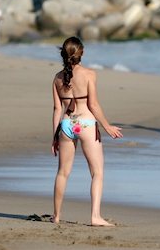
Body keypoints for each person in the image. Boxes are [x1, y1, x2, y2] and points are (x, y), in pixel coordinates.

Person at [51, 37, 123, 226]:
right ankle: (95, 217)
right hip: (86, 125)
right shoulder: (89, 74)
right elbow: (93, 104)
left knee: (62, 173)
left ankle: (56, 216)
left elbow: (57, 110)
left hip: (66, 126)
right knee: (97, 173)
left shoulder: (57, 78)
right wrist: (107, 126)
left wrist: (54, 137)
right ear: (81, 53)